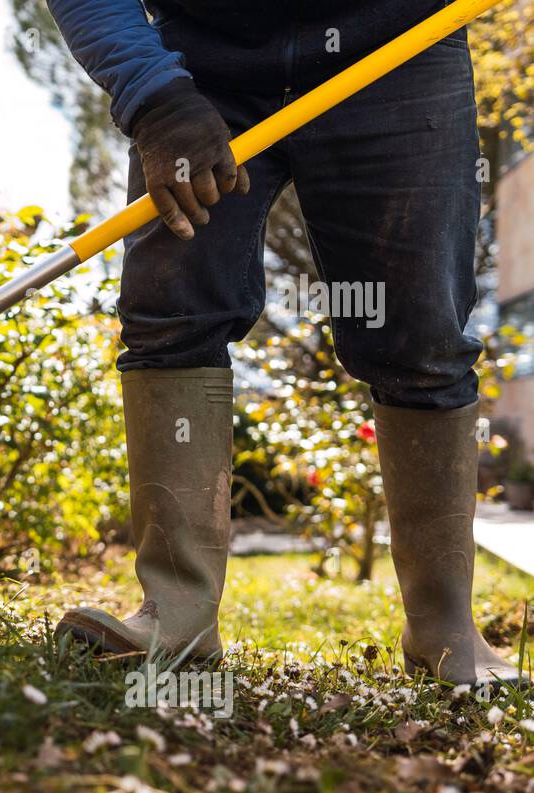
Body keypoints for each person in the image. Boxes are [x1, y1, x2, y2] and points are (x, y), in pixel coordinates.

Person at [47, 0, 521, 685]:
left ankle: (446, 630)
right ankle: (177, 614)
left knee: (423, 337)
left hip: (399, 44)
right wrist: (154, 98)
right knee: (172, 316)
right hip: (199, 64)